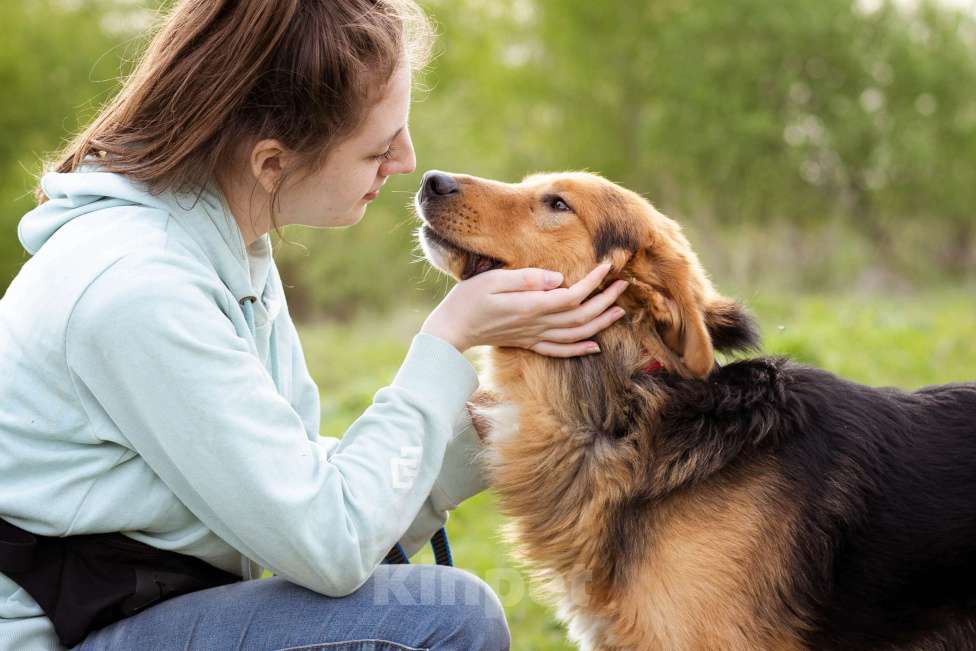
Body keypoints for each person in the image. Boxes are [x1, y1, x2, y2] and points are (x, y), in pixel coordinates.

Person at [0, 1, 629, 649]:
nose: (406, 160)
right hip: (63, 636)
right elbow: (330, 541)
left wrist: (503, 427)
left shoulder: (223, 247)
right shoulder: (139, 289)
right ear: (271, 163)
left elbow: (295, 492)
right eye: (378, 147)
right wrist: (447, 339)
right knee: (447, 615)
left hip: (142, 605)